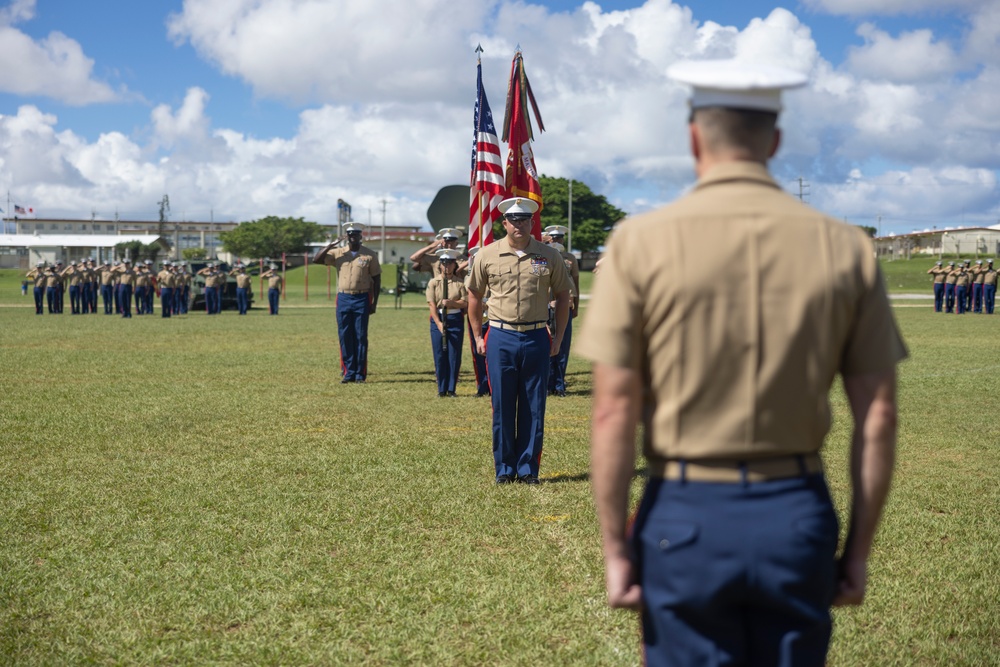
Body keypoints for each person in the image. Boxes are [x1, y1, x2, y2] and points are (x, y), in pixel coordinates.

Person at [579, 60, 908, 666]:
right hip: (795, 510)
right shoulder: (846, 247)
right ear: (775, 141)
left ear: (694, 136)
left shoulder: (639, 243)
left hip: (685, 513)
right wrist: (858, 551)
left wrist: (615, 550)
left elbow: (613, 412)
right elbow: (878, 415)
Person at [468, 197, 572, 485]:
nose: (519, 224)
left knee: (533, 405)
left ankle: (527, 469)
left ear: (531, 223)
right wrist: (478, 335)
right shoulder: (486, 255)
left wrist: (559, 336)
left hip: (537, 335)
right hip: (500, 335)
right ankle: (504, 468)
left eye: (524, 220)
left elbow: (564, 296)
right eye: (513, 220)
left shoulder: (549, 256)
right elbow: (474, 296)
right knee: (502, 404)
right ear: (504, 223)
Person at [314, 222, 381, 383]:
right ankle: (348, 372)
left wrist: (374, 303)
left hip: (362, 297)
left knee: (360, 336)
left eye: (355, 235)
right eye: (350, 235)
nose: (353, 238)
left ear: (360, 236)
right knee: (345, 336)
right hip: (343, 298)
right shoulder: (338, 253)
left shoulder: (369, 254)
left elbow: (377, 279)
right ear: (346, 237)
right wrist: (331, 244)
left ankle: (360, 373)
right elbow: (317, 259)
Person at [543, 226, 580, 397]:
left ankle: (559, 384)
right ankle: (548, 382)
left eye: (560, 238)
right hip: (546, 309)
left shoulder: (570, 258)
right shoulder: (542, 258)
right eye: (553, 237)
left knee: (562, 346)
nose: (556, 240)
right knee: (547, 346)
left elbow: (575, 284)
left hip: (565, 306)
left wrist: (576, 306)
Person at [426, 249, 468, 397]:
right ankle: (441, 388)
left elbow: (465, 302)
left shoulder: (460, 283)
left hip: (455, 319)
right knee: (439, 354)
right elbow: (431, 304)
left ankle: (451, 388)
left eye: (450, 263)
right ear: (440, 265)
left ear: (454, 265)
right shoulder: (434, 282)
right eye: (444, 263)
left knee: (454, 354)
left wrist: (452, 303)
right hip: (439, 318)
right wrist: (438, 323)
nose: (447, 266)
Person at [462, 247, 491, 397]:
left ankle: (492, 385)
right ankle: (482, 385)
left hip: (492, 317)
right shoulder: (469, 278)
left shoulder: (492, 273)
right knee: (478, 352)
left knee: (492, 353)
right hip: (477, 318)